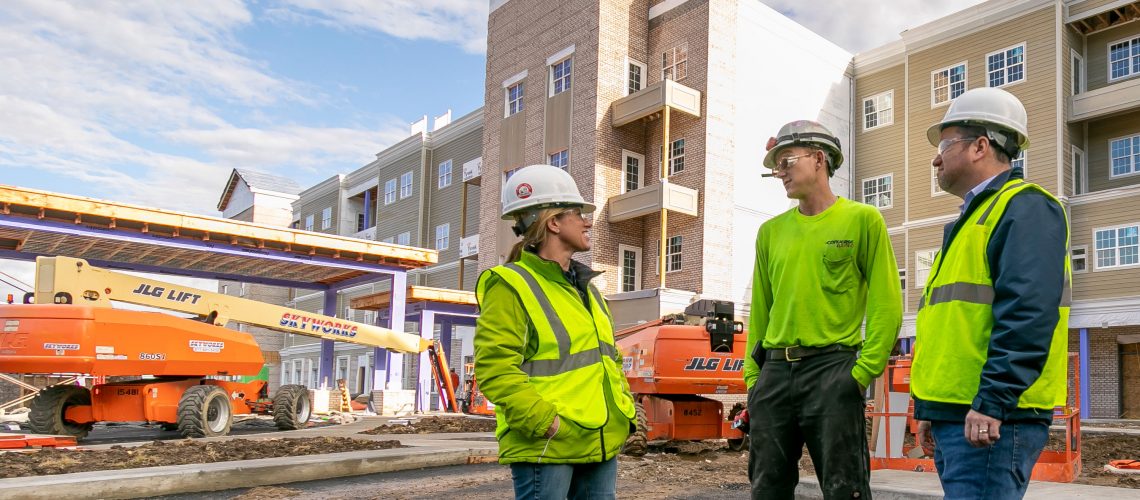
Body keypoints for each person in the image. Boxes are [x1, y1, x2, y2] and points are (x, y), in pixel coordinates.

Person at [912, 87, 1070, 499]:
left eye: (945, 144)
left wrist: (993, 401)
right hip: (961, 414)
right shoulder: (974, 219)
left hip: (991, 418)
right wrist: (929, 409)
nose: (935, 158)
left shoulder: (1026, 207)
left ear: (981, 146)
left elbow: (1028, 313)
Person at [745, 120, 902, 499]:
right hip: (775, 373)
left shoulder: (862, 220)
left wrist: (861, 374)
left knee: (844, 488)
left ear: (819, 159)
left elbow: (886, 304)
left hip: (834, 370)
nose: (779, 172)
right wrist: (754, 379)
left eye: (787, 161)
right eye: (776, 166)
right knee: (767, 489)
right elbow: (761, 310)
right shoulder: (770, 232)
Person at [473, 164, 636, 500]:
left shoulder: (587, 289)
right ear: (554, 222)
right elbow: (495, 369)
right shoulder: (510, 285)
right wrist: (546, 422)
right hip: (548, 442)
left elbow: (609, 359)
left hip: (599, 438)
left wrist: (626, 412)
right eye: (578, 212)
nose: (588, 221)